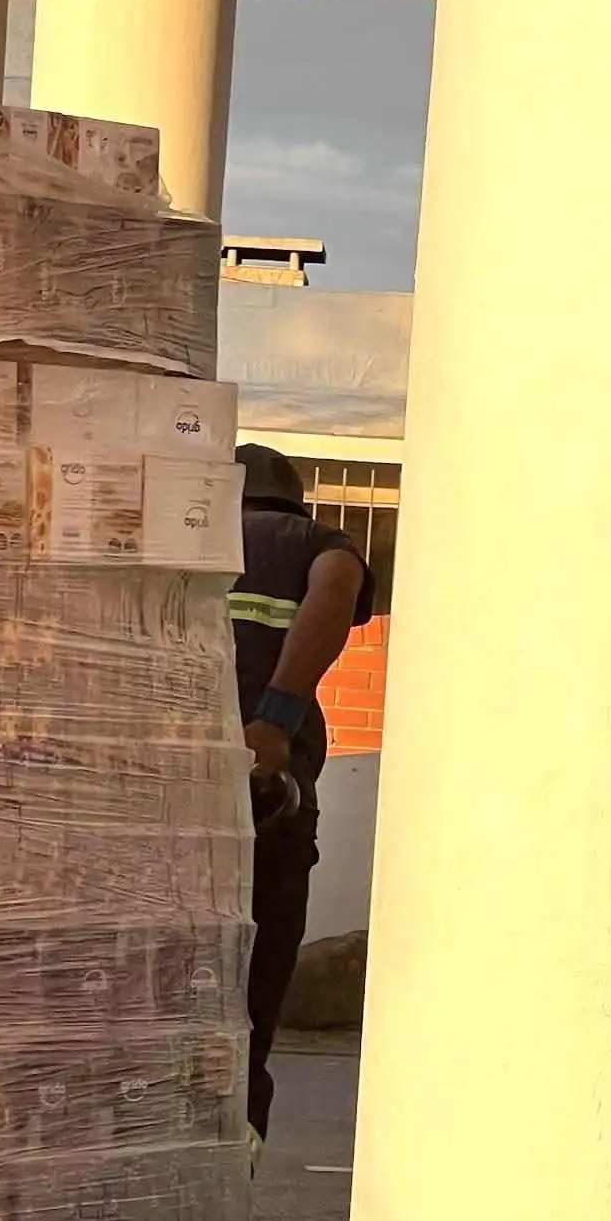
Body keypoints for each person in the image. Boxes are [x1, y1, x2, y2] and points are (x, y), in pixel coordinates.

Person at [232, 443, 375, 1158]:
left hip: (164, 808)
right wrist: (277, 717)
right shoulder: (319, 543)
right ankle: (236, 1157)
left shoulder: (184, 532)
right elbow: (338, 583)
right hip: (269, 804)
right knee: (251, 1004)